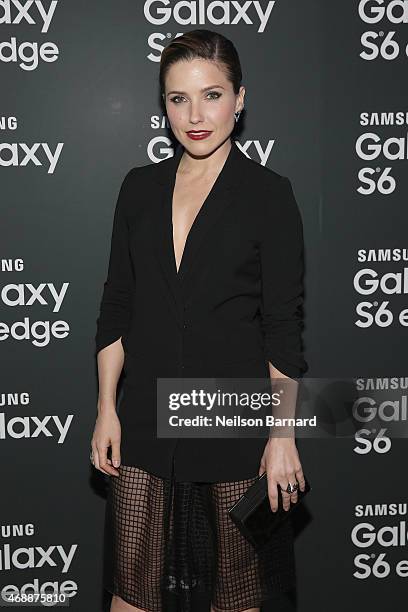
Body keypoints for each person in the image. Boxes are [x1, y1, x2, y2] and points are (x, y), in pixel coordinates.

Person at [91, 29, 308, 612]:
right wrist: (107, 406)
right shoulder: (138, 189)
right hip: (144, 427)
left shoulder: (269, 195)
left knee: (237, 599)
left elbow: (283, 327)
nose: (195, 115)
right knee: (129, 594)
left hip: (234, 423)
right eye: (177, 98)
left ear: (240, 100)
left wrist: (281, 434)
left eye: (212, 95)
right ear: (161, 104)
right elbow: (117, 304)